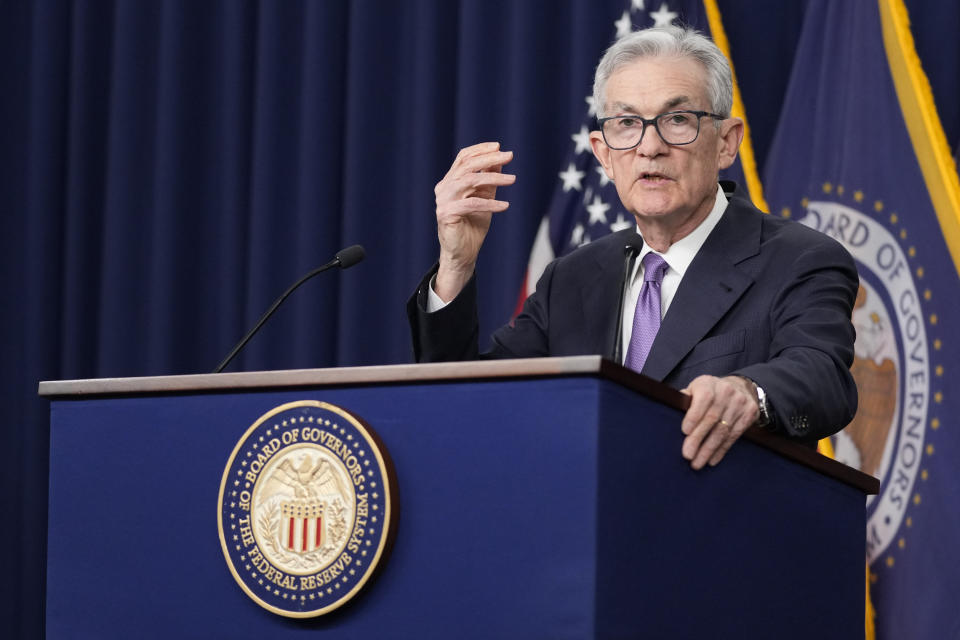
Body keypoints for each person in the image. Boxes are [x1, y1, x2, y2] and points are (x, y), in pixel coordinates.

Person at [407, 26, 858, 470]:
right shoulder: (572, 278)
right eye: (627, 124)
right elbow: (468, 408)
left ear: (726, 142)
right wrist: (456, 264)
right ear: (603, 154)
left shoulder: (800, 259)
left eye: (678, 120)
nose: (650, 146)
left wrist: (746, 392)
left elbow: (824, 378)